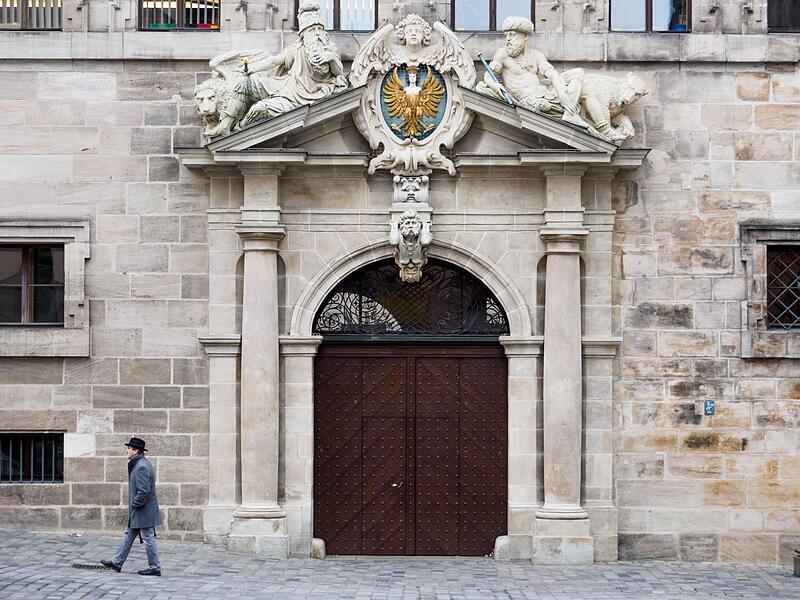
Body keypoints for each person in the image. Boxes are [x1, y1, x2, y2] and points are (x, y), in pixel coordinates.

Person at [477, 16, 588, 128]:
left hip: (546, 95)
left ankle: (571, 115)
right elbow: (489, 75)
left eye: (512, 35)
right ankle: (572, 114)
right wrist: (495, 85)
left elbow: (553, 75)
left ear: (525, 36)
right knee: (583, 93)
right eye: (507, 35)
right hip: (529, 100)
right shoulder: (503, 54)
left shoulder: (536, 55)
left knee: (578, 73)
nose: (508, 39)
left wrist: (562, 94)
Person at [100, 437, 162, 576]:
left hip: (143, 510)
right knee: (129, 534)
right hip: (139, 511)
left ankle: (154, 566)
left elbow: (143, 491)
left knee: (148, 538)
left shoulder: (141, 466)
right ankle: (117, 562)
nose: (127, 451)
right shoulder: (139, 464)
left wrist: (135, 504)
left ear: (136, 451)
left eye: (129, 448)